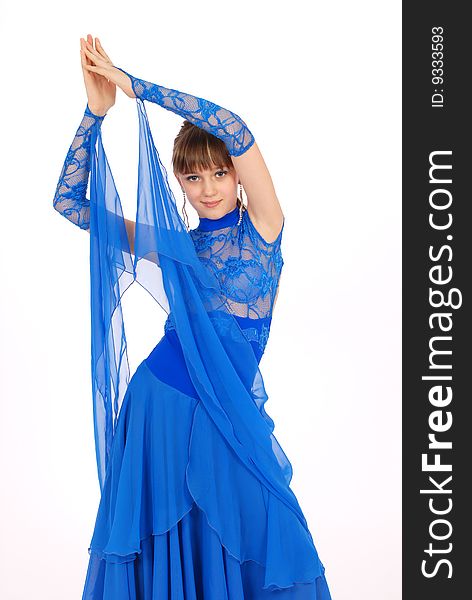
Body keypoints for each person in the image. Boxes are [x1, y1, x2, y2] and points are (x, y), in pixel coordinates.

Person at [53, 34, 333, 600]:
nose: (208, 189)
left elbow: (230, 123)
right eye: (193, 177)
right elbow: (69, 203)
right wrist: (95, 113)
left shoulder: (265, 229)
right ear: (178, 181)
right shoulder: (172, 245)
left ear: (237, 176)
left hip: (227, 413)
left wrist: (133, 86)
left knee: (263, 526)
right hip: (161, 403)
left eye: (219, 174)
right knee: (170, 538)